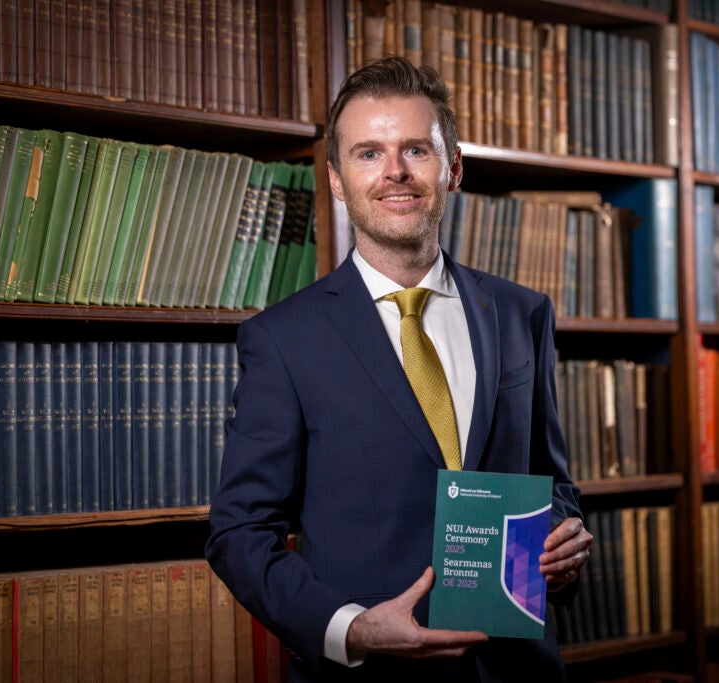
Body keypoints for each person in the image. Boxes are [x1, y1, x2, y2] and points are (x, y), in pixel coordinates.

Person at [205, 55, 592, 682]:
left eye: (416, 149)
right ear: (335, 179)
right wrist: (350, 628)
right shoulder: (282, 340)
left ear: (453, 168)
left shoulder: (524, 313)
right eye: (367, 154)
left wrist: (564, 538)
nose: (395, 173)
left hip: (518, 667)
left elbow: (551, 484)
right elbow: (239, 533)